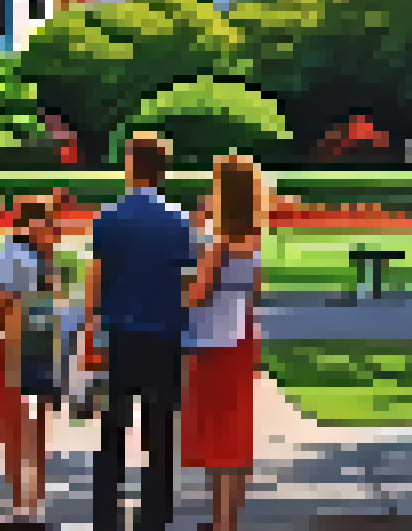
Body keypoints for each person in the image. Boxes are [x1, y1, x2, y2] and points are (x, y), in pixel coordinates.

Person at [83, 134, 194, 531]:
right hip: (165, 336)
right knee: (160, 434)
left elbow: (94, 280)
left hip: (119, 336)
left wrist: (89, 330)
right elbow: (187, 285)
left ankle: (106, 519)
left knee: (112, 431)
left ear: (130, 166)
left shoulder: (108, 217)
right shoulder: (180, 219)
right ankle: (153, 519)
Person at [181, 154, 268, 531]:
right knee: (236, 431)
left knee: (217, 435)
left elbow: (195, 294)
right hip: (242, 335)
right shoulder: (253, 237)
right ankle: (228, 519)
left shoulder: (219, 243)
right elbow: (257, 290)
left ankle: (219, 522)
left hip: (215, 341)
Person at [0, 195, 61, 528]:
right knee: (24, 427)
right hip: (28, 344)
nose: (49, 230)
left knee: (29, 427)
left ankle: (28, 504)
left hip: (29, 344)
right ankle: (26, 503)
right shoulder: (19, 254)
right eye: (44, 223)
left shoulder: (29, 255)